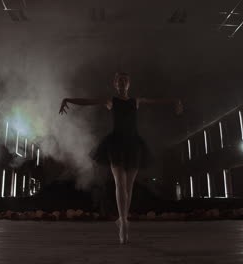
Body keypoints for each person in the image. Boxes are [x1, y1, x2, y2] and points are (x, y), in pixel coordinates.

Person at [59, 72, 183, 244]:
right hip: (115, 144)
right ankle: (124, 221)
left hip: (134, 145)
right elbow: (89, 101)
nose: (123, 82)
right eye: (120, 80)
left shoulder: (136, 101)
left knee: (129, 186)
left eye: (125, 80)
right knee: (120, 183)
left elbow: (155, 100)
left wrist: (174, 100)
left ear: (129, 84)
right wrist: (68, 99)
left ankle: (123, 218)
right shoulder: (111, 101)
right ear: (116, 84)